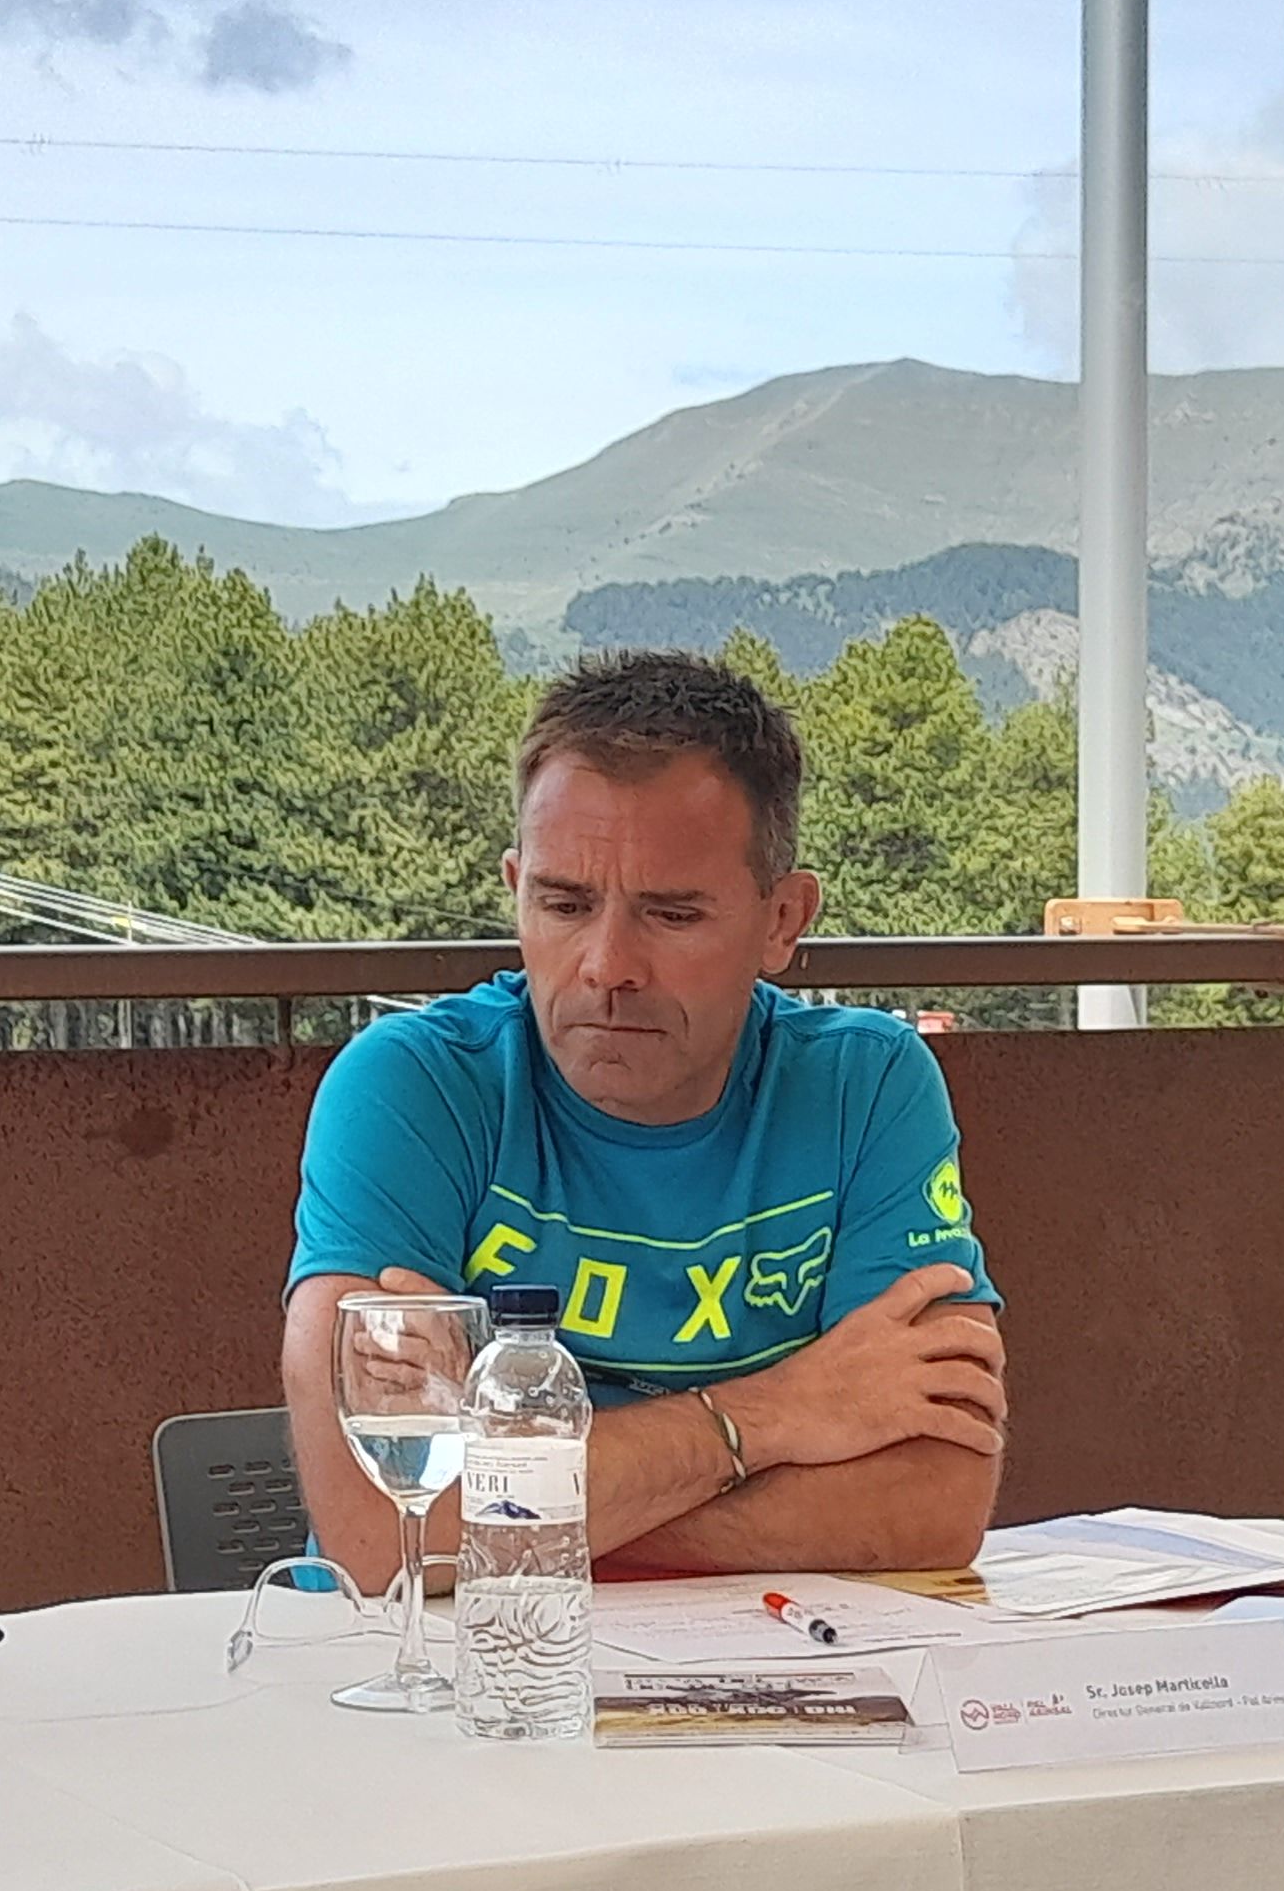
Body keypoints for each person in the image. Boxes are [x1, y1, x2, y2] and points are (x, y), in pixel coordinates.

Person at [284, 649, 1007, 1586]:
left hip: (773, 1656)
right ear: (515, 890)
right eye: (564, 903)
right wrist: (777, 1414)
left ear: (783, 920)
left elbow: (931, 1506)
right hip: (442, 1662)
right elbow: (384, 1535)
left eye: (672, 915)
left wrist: (514, 1496)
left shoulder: (865, 1088)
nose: (606, 965)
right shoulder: (412, 1087)